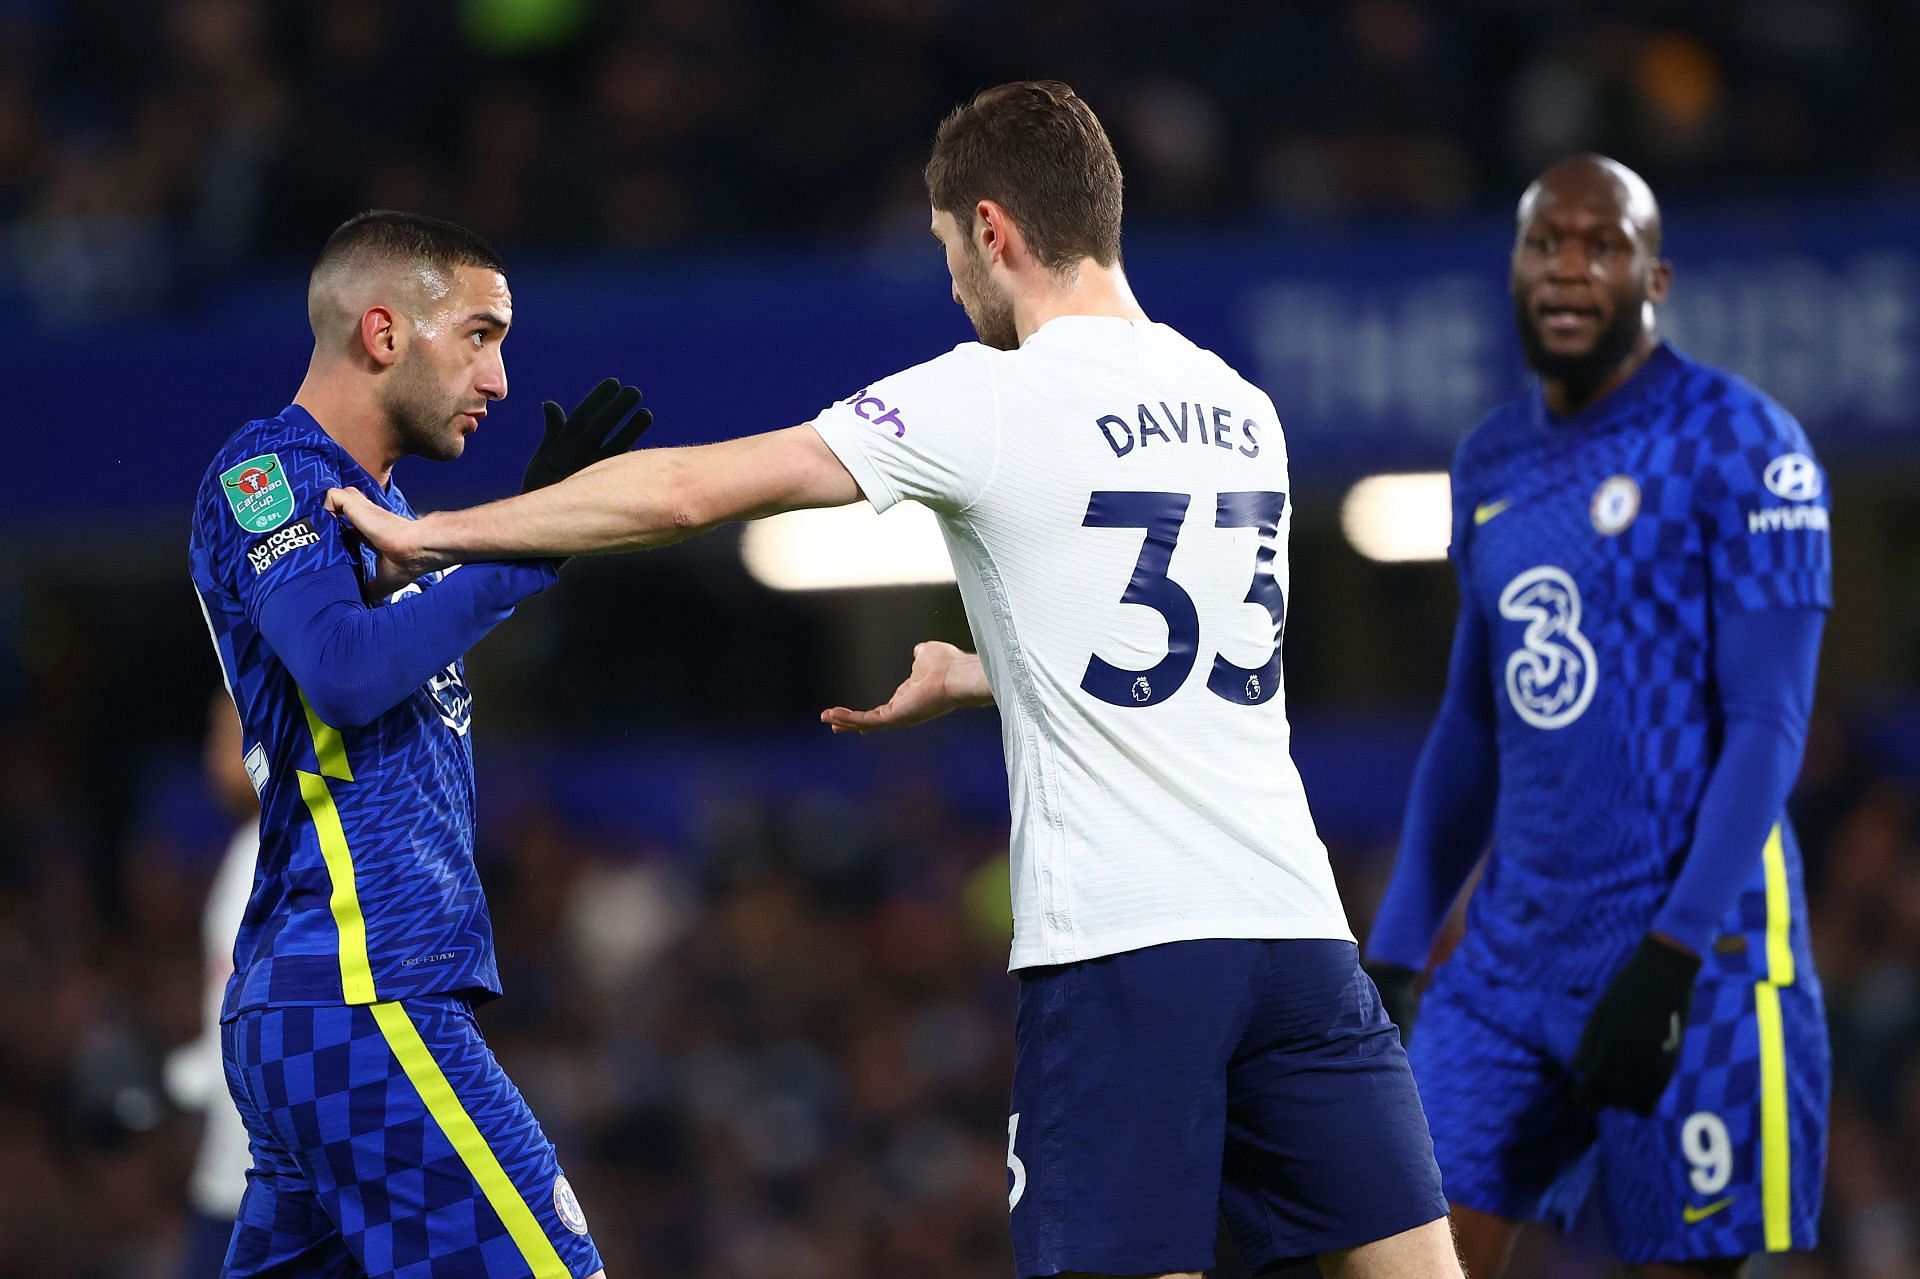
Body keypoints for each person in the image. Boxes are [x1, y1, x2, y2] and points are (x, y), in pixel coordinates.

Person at [326, 81, 1461, 1279]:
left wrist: (441, 533)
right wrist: (989, 674)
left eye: (946, 251)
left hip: (1130, 945)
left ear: (992, 229)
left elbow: (689, 492)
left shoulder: (990, 393)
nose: (954, 286)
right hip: (1297, 931)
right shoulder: (1244, 406)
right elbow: (1186, 666)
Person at [1361, 155, 1831, 1278]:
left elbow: (1769, 720)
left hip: (1699, 955)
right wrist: (1395, 948)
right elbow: (1471, 724)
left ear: (1652, 275)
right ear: (1516, 267)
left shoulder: (1745, 445)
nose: (1569, 267)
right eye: (1545, 243)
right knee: (1387, 1251)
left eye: (1601, 244)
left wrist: (1670, 958)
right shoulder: (1489, 461)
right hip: (1510, 968)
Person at [188, 209, 649, 1279]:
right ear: (385, 334)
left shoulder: (389, 518)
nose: (498, 380)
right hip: (359, 991)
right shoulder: (274, 473)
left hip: (318, 1012)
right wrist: (535, 540)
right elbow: (344, 672)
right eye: (481, 336)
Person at [165, 694, 263, 1277]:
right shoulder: (248, 847)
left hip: (272, 1179)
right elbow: (229, 1020)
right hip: (232, 1171)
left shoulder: (291, 855)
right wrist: (183, 1078)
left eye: (228, 730)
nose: (213, 749)